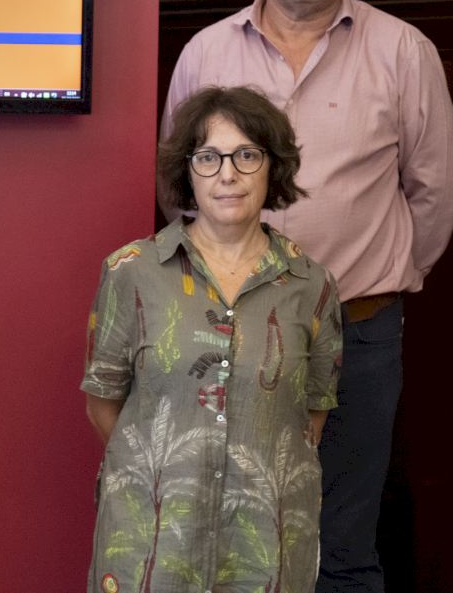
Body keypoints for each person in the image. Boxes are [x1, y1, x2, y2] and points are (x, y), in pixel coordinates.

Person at [161, 0, 453, 592]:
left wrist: (379, 279)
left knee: (342, 545)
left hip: (359, 331)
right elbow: (176, 186)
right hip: (229, 330)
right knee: (230, 533)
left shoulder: (404, 50)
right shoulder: (206, 52)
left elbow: (437, 193)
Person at [83, 86, 342, 593]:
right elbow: (103, 404)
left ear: (272, 167)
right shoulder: (131, 272)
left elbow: (311, 416)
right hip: (152, 545)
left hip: (265, 549)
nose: (228, 174)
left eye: (247, 155)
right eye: (208, 157)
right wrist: (164, 474)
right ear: (187, 171)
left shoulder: (312, 285)